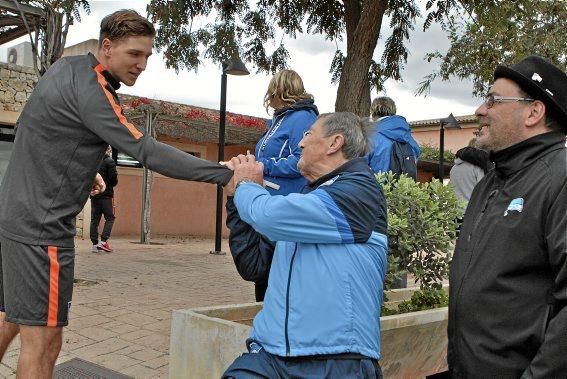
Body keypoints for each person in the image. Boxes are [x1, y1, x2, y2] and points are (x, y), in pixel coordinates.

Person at [0, 10, 232, 377]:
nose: (142, 65)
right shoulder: (95, 91)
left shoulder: (64, 68)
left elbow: (43, 125)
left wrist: (80, 168)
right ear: (107, 47)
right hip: (41, 230)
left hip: (13, 216)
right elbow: (147, 151)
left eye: (147, 57)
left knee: (11, 318)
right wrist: (224, 174)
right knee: (44, 342)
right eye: (134, 55)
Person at [222, 112, 388, 378]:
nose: (300, 143)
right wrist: (235, 201)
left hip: (336, 358)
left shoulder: (359, 191)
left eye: (308, 134)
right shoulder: (306, 201)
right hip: (271, 354)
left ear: (334, 143)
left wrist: (245, 186)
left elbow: (267, 214)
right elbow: (253, 265)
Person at [448, 55, 567, 377]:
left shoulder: (560, 177)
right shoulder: (490, 180)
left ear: (534, 112)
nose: (480, 111)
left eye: (493, 100)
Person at [240, 69, 317, 301]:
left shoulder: (303, 118)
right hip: (268, 203)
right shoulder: (279, 119)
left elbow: (300, 161)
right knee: (263, 272)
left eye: (271, 93)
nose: (268, 99)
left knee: (274, 274)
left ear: (281, 91)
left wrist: (262, 166)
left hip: (285, 203)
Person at [367, 96, 420, 175]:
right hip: (404, 186)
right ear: (393, 111)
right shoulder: (410, 139)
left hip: (376, 185)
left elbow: (358, 167)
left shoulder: (370, 137)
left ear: (373, 112)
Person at [90, 146, 118, 253]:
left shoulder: (93, 161)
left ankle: (95, 244)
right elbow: (113, 180)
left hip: (94, 194)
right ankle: (103, 242)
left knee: (95, 219)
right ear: (108, 151)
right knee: (110, 217)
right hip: (106, 195)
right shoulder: (109, 161)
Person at [449, 138, 491, 203]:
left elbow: (451, 189)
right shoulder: (477, 167)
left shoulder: (454, 168)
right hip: (472, 209)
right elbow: (483, 190)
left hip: (456, 209)